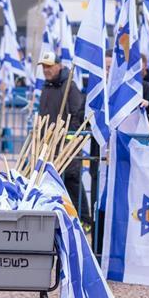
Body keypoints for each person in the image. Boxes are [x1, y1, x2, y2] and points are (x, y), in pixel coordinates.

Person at [36, 51, 88, 218]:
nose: (46, 70)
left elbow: (78, 116)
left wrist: (67, 141)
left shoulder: (69, 87)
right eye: (44, 67)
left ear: (59, 66)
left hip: (65, 148)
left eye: (49, 66)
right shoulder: (46, 86)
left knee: (72, 183)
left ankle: (84, 218)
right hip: (47, 146)